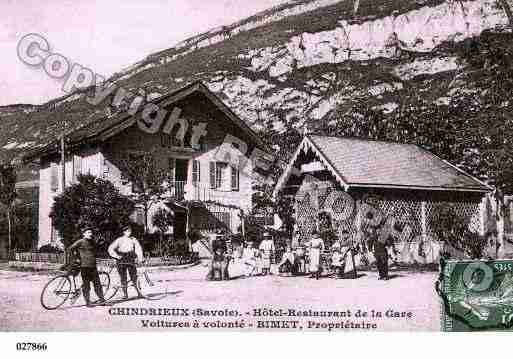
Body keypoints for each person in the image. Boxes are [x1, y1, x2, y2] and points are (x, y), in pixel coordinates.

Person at [68, 228, 106, 307]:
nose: (90, 234)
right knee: (86, 285)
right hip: (84, 267)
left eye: (91, 232)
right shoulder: (80, 241)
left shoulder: (92, 242)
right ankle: (88, 302)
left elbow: (96, 249)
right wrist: (76, 258)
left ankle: (102, 300)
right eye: (88, 232)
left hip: (93, 266)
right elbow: (70, 249)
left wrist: (101, 242)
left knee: (97, 284)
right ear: (84, 234)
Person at [108, 226, 144, 299]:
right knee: (123, 277)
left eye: (130, 231)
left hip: (130, 258)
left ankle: (139, 293)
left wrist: (140, 258)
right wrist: (116, 256)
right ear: (124, 232)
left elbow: (138, 249)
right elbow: (110, 249)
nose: (129, 233)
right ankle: (125, 294)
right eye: (127, 231)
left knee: (134, 276)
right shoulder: (119, 240)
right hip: (121, 258)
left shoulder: (133, 239)